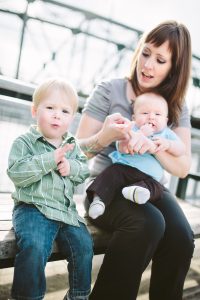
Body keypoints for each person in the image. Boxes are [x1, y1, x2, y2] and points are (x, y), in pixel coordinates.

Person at [76, 21, 194, 300]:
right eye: (146, 53)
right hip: (107, 188)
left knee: (181, 237)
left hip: (151, 188)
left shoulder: (175, 106)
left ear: (174, 68)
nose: (148, 65)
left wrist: (153, 145)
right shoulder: (110, 90)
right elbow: (76, 153)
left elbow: (183, 166)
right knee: (148, 223)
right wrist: (105, 137)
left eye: (160, 60)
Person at [7, 77, 93, 300]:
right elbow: (16, 173)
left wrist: (71, 167)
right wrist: (50, 160)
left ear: (72, 118)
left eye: (65, 111)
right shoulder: (24, 142)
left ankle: (78, 296)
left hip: (65, 211)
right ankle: (28, 297)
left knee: (84, 246)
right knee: (34, 247)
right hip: (32, 208)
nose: (57, 115)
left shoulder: (71, 144)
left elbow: (84, 171)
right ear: (35, 111)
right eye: (50, 108)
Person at [87, 92, 186, 219]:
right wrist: (140, 134)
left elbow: (181, 149)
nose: (151, 117)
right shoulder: (131, 129)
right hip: (124, 169)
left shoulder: (166, 134)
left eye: (157, 114)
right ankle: (98, 200)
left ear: (166, 120)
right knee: (110, 174)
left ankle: (136, 192)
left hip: (149, 177)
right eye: (145, 113)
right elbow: (122, 148)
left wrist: (168, 145)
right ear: (134, 118)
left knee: (157, 188)